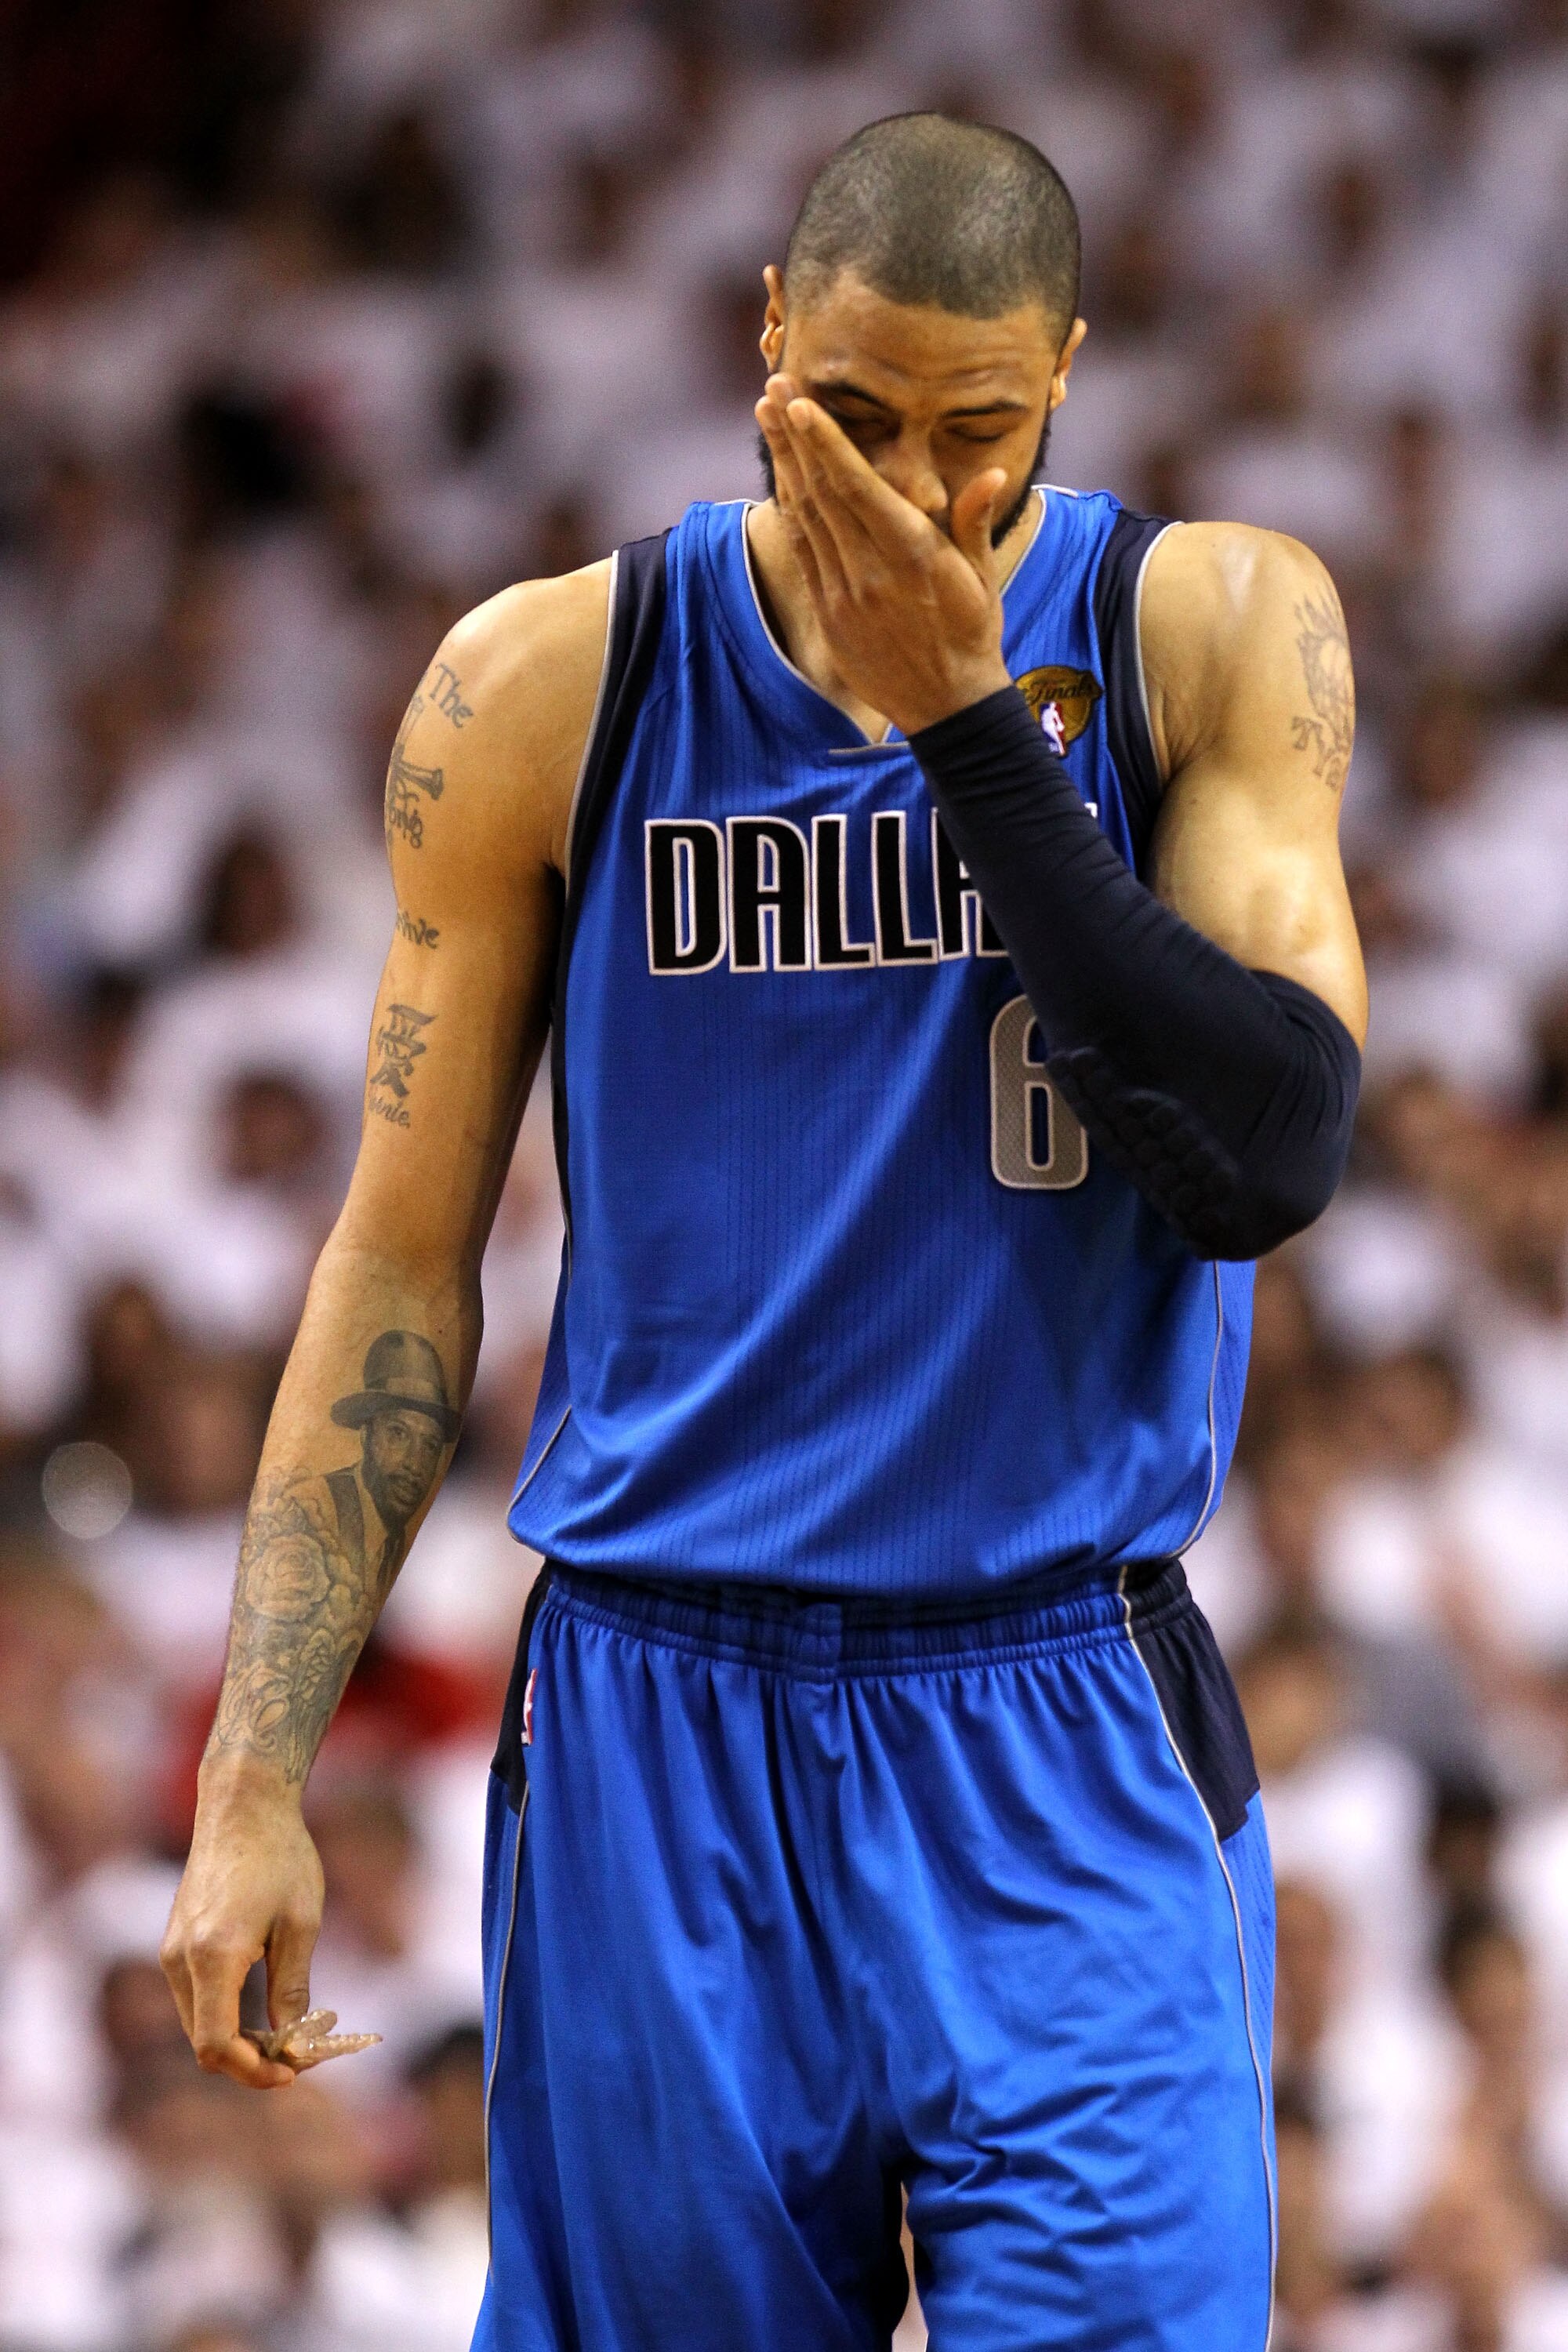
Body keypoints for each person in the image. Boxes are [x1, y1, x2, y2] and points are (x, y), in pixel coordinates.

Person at [162, 114, 1367, 2352]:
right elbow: (398, 1261)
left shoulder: (1206, 624)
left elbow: (1268, 1151)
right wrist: (251, 1776)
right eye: (863, 415)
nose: (920, 486)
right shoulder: (545, 682)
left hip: (1056, 1709)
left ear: (1071, 379)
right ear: (769, 344)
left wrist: (969, 735)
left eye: (983, 430)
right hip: (659, 1720)